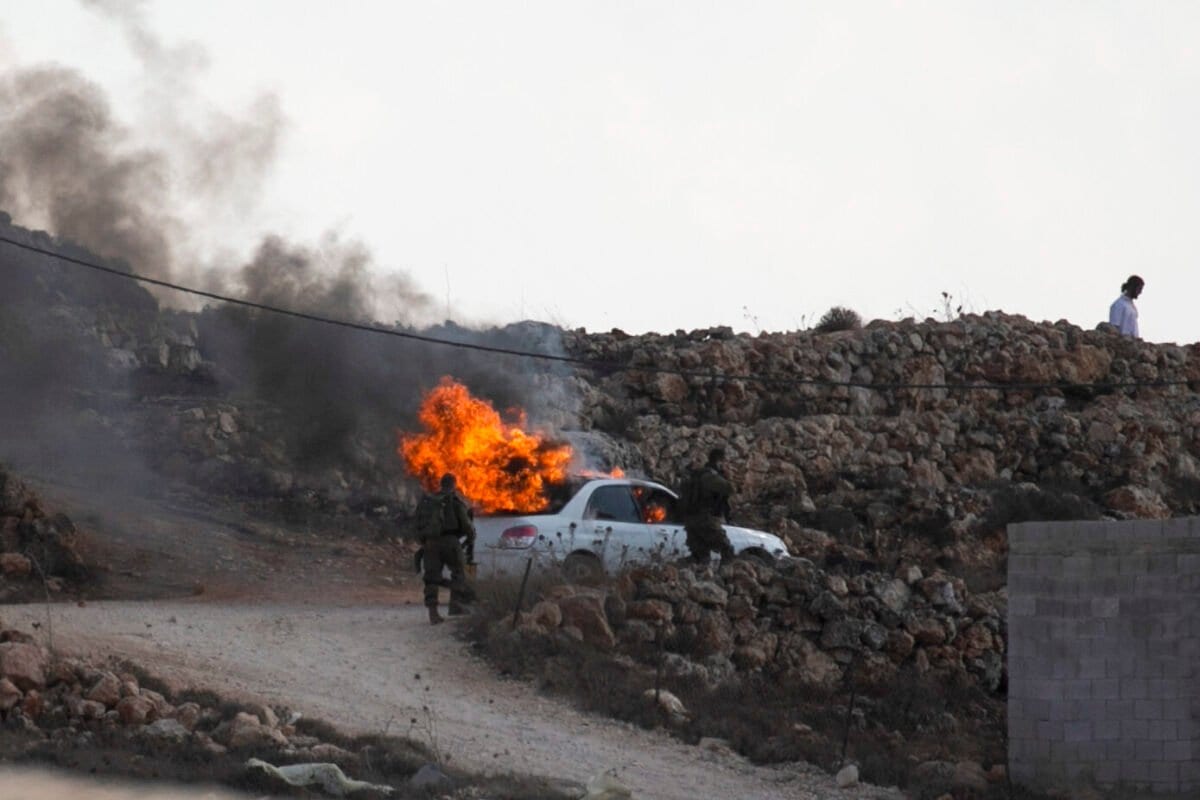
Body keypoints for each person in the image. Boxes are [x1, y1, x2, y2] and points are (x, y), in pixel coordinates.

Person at [420, 473, 476, 625]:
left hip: (430, 543)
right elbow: (466, 526)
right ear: (454, 484)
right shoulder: (455, 502)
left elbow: (418, 523)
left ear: (441, 484)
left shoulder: (429, 501)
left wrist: (424, 542)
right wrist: (470, 538)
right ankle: (456, 605)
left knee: (431, 577)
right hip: (450, 541)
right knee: (459, 572)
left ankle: (433, 613)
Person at [682, 448, 735, 566]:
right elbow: (730, 489)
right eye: (725, 462)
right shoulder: (710, 477)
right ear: (719, 461)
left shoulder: (695, 475)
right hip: (705, 520)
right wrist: (728, 476)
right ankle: (725, 577)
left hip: (691, 521)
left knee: (700, 556)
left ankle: (696, 578)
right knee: (727, 549)